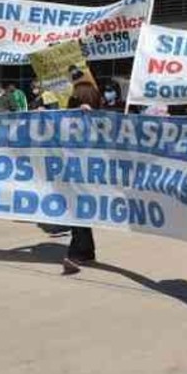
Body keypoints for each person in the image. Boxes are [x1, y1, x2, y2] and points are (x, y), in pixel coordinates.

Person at [61, 82, 104, 275]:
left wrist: (91, 117)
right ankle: (86, 251)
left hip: (89, 172)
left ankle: (77, 252)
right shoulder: (68, 118)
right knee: (77, 211)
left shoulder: (100, 120)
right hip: (72, 170)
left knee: (79, 211)